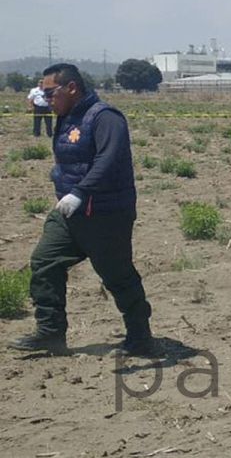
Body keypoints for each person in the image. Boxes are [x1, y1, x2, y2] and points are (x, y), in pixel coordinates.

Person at [9, 64, 153, 356]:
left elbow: (108, 160)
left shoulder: (105, 118)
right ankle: (50, 334)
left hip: (105, 213)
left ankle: (140, 337)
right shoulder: (66, 117)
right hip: (71, 212)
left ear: (71, 88)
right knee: (45, 261)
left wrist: (79, 191)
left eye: (50, 92)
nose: (46, 98)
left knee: (117, 275)